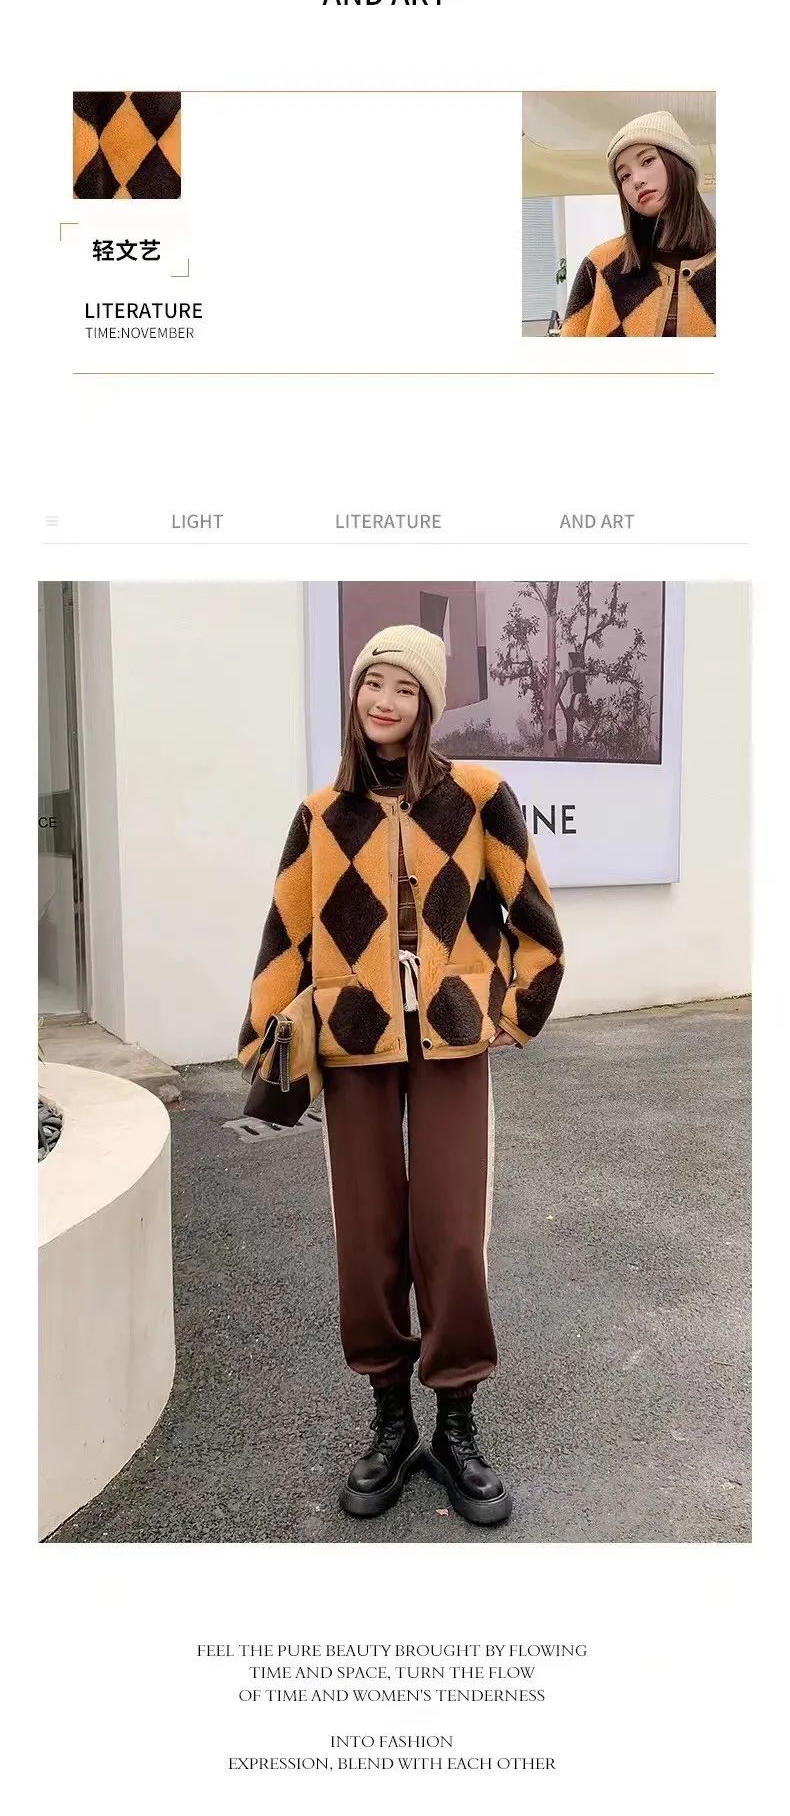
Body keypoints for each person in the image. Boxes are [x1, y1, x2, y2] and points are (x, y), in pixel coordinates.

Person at [239, 626, 564, 1529]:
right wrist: (266, 1042)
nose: (383, 701)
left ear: (429, 704)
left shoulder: (479, 797)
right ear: (355, 694)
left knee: (453, 1233)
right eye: (372, 682)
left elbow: (532, 913)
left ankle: (456, 1424)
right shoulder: (321, 814)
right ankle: (391, 1420)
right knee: (367, 1234)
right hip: (354, 1040)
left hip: (452, 1038)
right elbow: (286, 933)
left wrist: (516, 1007)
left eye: (404, 688)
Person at [561, 110, 715, 337]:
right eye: (624, 176)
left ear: (681, 162)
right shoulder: (601, 265)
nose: (637, 180)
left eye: (647, 161)